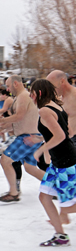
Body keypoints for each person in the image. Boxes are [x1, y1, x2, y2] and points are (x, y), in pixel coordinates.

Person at [27, 79, 76, 246]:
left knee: (70, 204)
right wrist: (41, 139)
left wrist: (41, 150)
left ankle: (60, 233)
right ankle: (60, 235)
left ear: (39, 93)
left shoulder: (45, 111)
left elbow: (60, 136)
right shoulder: (57, 107)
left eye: (32, 94)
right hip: (59, 161)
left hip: (65, 162)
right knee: (45, 196)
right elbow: (63, 132)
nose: (30, 97)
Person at [0, 75, 46, 202]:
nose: (8, 89)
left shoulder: (23, 97)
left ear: (16, 84)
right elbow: (20, 122)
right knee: (30, 168)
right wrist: (2, 128)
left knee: (5, 160)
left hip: (28, 137)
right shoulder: (20, 98)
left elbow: (19, 117)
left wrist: (0, 120)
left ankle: (13, 192)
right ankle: (57, 187)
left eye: (9, 86)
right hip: (30, 136)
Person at [46, 70, 76, 223]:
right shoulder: (59, 99)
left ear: (62, 81)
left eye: (51, 85)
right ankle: (63, 215)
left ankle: (64, 213)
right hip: (66, 145)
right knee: (62, 180)